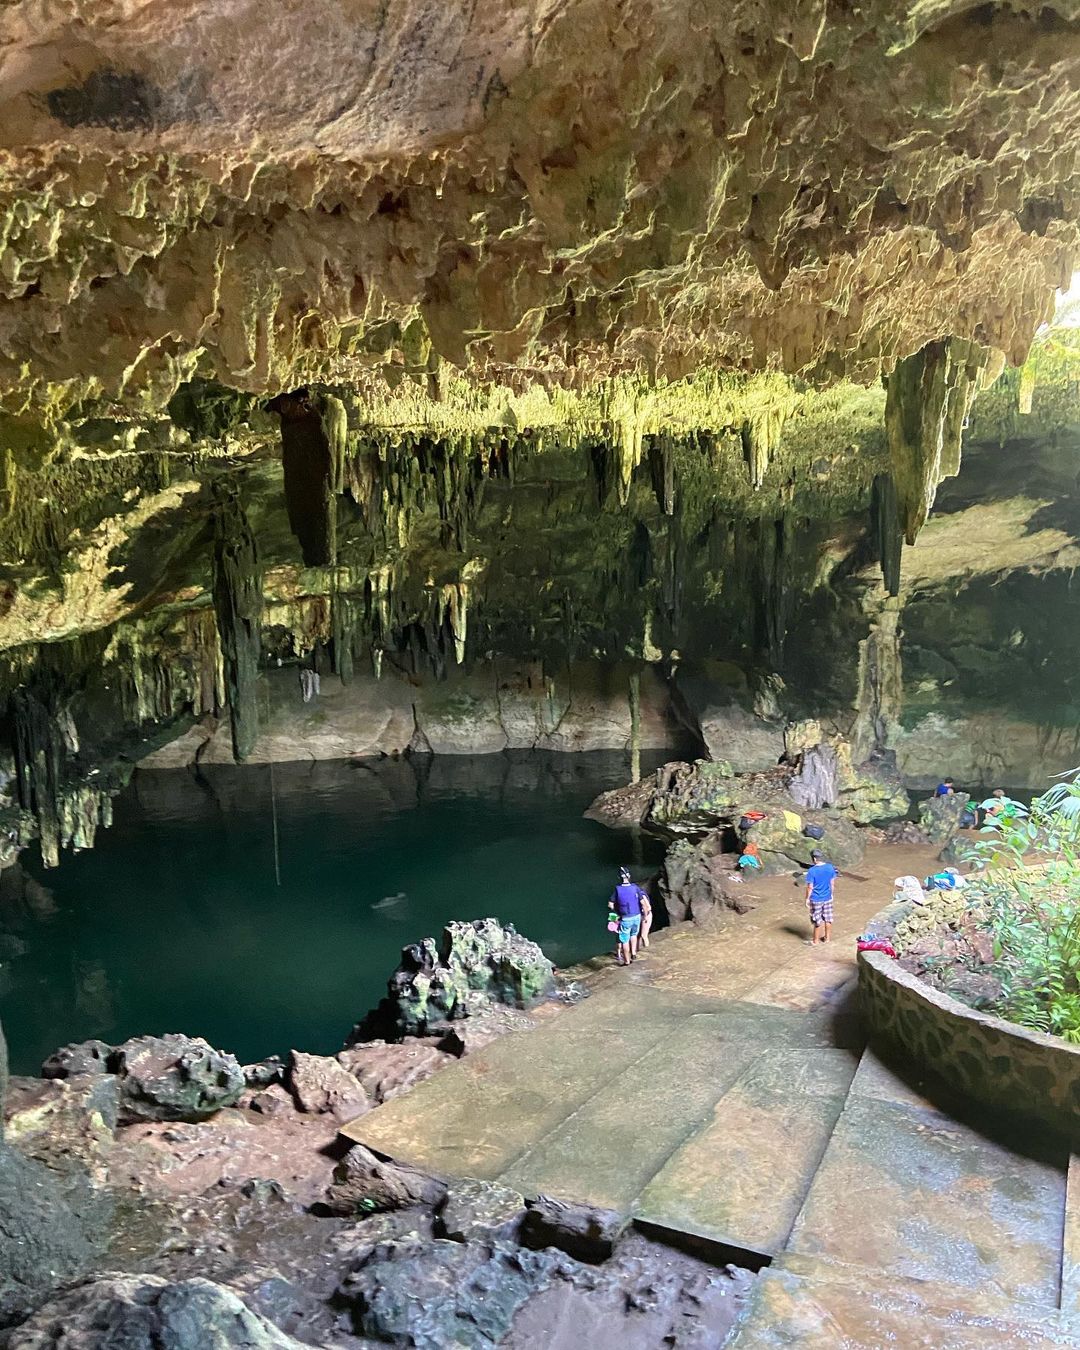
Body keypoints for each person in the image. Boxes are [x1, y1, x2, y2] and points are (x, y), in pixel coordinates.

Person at [609, 866, 647, 966]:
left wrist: (615, 913)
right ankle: (634, 954)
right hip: (637, 916)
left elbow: (610, 904)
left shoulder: (618, 889)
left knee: (624, 940)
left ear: (619, 877)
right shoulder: (635, 888)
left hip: (625, 918)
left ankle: (627, 961)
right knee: (633, 935)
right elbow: (643, 903)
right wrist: (645, 916)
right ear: (629, 876)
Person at [804, 848, 838, 945]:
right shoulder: (830, 867)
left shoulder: (812, 871)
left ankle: (815, 941)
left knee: (817, 920)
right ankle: (827, 938)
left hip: (816, 899)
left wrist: (807, 899)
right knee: (828, 918)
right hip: (827, 897)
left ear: (814, 859)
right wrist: (831, 894)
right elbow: (832, 883)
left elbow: (810, 887)